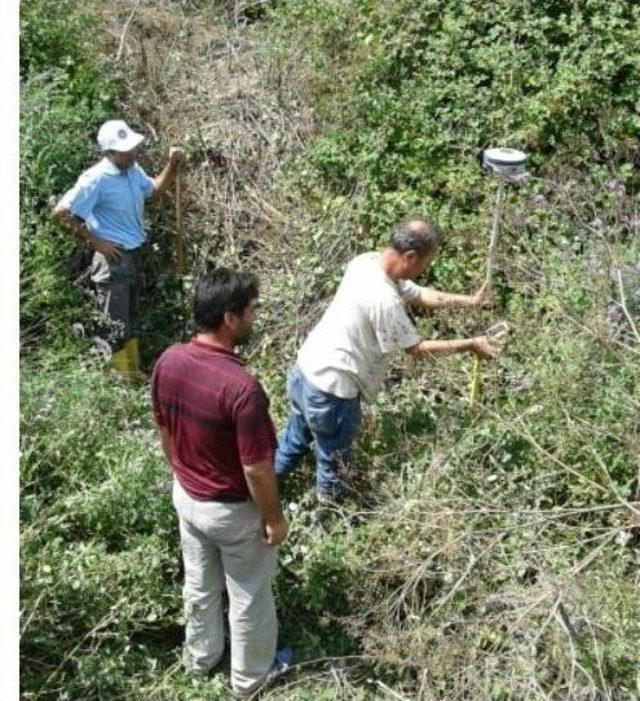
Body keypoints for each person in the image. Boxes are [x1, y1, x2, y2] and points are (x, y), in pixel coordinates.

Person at [275, 218, 504, 500]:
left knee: (292, 444)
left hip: (305, 372)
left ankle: (258, 491)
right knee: (334, 467)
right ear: (410, 257)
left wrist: (470, 301)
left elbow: (419, 294)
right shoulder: (384, 299)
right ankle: (330, 520)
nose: (426, 269)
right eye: (426, 263)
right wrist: (470, 344)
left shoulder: (367, 261)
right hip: (332, 391)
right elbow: (416, 349)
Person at [151, 268, 289, 697]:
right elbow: (257, 468)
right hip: (231, 511)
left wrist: (181, 471)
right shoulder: (241, 388)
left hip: (187, 498)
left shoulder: (168, 359)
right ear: (230, 318)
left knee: (199, 584)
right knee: (249, 597)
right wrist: (273, 517)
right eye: (250, 311)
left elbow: (163, 426)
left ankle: (201, 659)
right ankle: (250, 681)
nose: (253, 318)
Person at [52, 119, 184, 374]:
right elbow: (60, 213)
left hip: (133, 254)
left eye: (133, 148)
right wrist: (97, 242)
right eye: (126, 151)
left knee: (129, 320)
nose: (133, 153)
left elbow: (154, 191)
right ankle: (116, 380)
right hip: (112, 260)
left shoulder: (133, 171)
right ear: (109, 153)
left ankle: (130, 375)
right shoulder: (96, 179)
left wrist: (173, 164)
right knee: (114, 324)